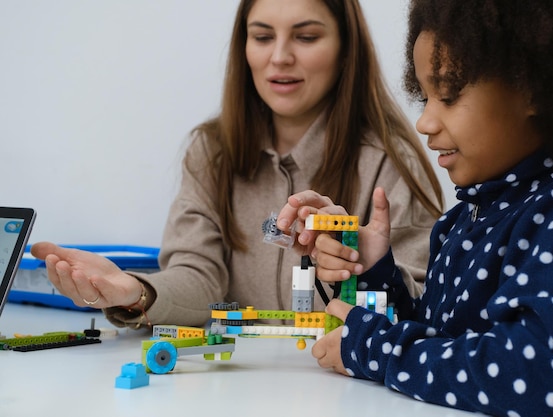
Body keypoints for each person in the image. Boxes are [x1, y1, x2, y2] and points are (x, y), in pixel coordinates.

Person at [278, 0, 553, 415]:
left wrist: (374, 349)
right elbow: (439, 345)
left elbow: (535, 378)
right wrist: (373, 272)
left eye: (448, 95)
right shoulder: (460, 221)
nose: (424, 122)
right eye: (424, 97)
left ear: (535, 87)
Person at [30, 0, 444, 329]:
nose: (279, 57)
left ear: (345, 48)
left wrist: (360, 269)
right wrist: (136, 291)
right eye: (262, 36)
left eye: (306, 36)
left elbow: (421, 304)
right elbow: (198, 276)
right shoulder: (209, 152)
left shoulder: (390, 162)